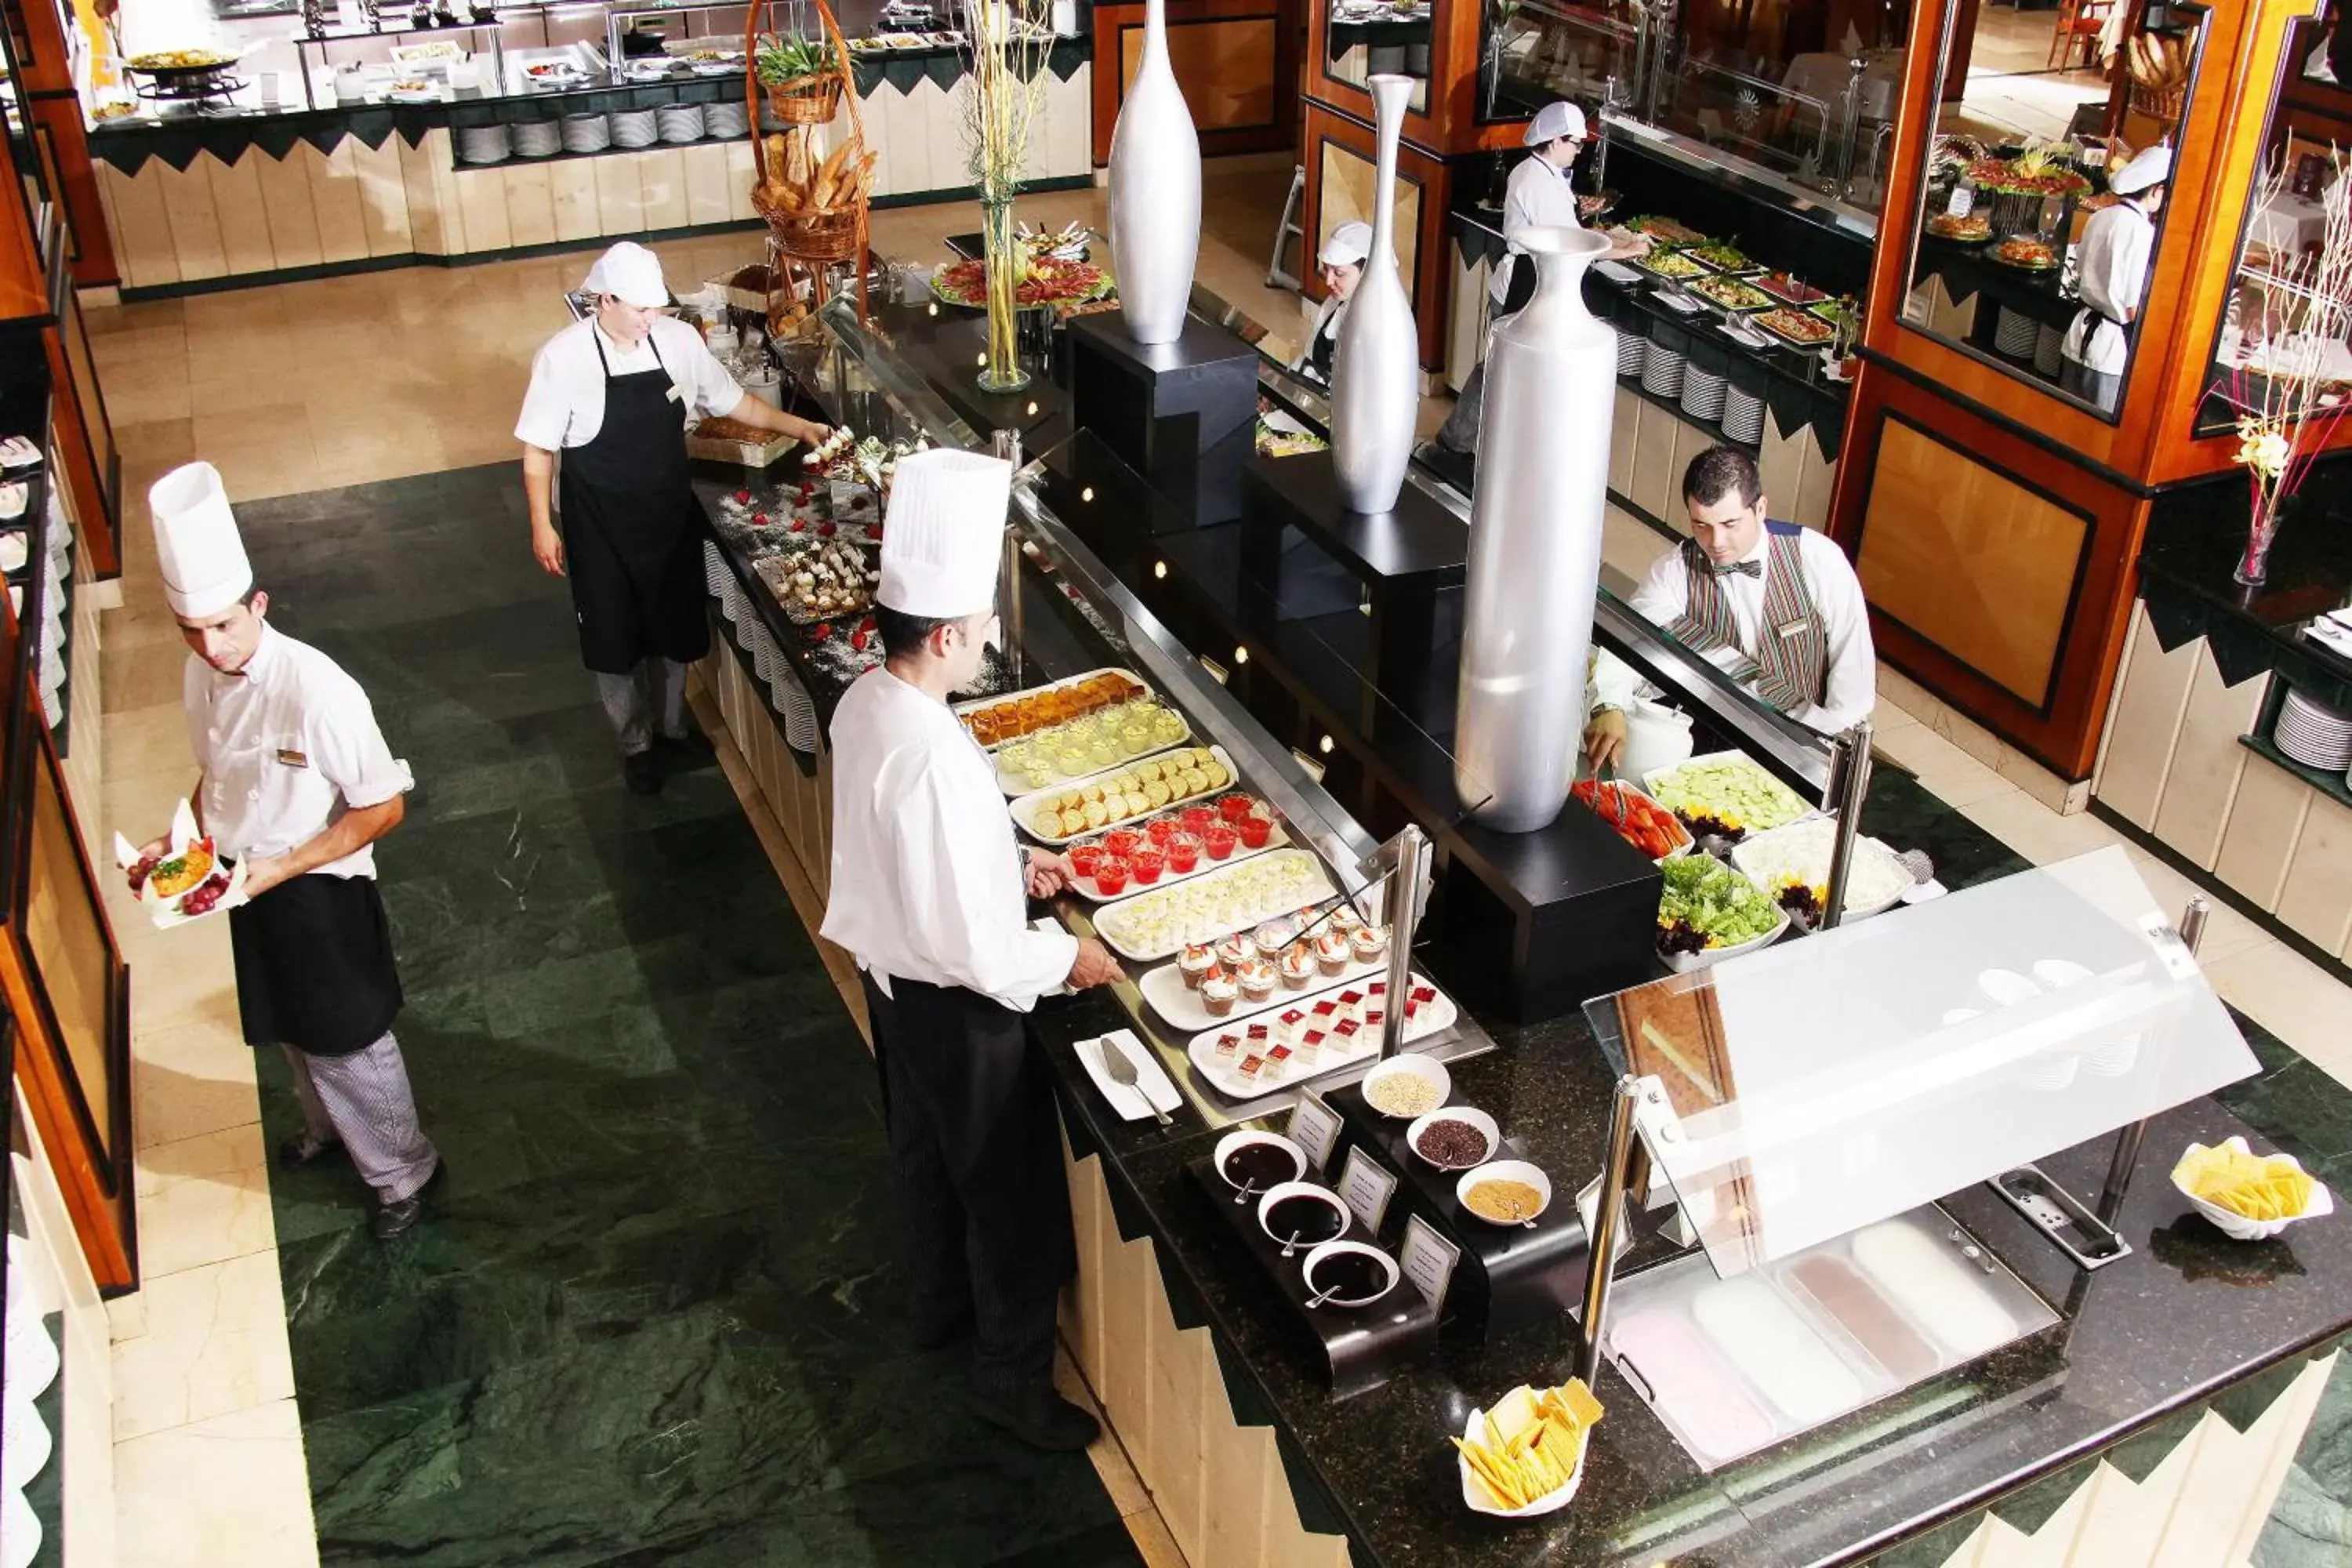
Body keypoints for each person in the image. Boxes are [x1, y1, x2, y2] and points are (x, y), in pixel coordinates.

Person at [818, 448, 1123, 1452]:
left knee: (923, 1160)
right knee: (1008, 1199)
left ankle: (936, 1306)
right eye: (985, 627)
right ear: (947, 635)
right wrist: (1065, 957)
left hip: (892, 986)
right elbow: (983, 951)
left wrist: (1009, 855)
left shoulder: (870, 700)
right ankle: (1009, 1378)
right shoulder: (939, 755)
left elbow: (911, 854)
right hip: (959, 1006)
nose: (991, 638)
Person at [146, 462, 442, 1241]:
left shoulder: (320, 690)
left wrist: (280, 866)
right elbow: (216, 771)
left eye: (223, 626)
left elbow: (384, 803)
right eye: (194, 629)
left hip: (315, 883)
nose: (210, 646)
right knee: (289, 1028)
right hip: (241, 878)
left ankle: (404, 1169)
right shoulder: (198, 674)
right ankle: (333, 1131)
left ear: (259, 603)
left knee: (349, 1039)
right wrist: (178, 840)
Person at [517, 241, 829, 796]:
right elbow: (539, 450)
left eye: (656, 307)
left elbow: (732, 402)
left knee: (675, 626)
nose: (652, 319)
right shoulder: (563, 359)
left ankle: (672, 726)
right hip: (599, 525)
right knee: (615, 641)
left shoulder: (678, 341)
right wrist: (542, 524)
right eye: (640, 309)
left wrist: (795, 426)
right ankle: (635, 745)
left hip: (667, 512)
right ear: (604, 299)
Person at [1584, 445, 1876, 772]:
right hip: (1712, 749)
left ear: (1760, 508)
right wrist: (1608, 706)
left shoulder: (1819, 560)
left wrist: (1820, 766)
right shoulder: (1675, 571)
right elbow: (1630, 640)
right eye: (1701, 525)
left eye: (1730, 523)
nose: (1716, 541)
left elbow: (1853, 687)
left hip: (1806, 751)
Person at [1436, 101, 1634, 456]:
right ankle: (1457, 444)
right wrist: (1623, 249)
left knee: (1503, 373)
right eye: (1575, 143)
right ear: (1555, 141)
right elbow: (1570, 242)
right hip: (1523, 288)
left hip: (1531, 287)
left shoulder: (1537, 172)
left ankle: (1473, 444)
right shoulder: (1537, 182)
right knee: (1499, 374)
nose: (1578, 151)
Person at [2060, 145, 2171, 413]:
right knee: (2096, 433)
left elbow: (2080, 265)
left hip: (2077, 335)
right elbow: (2133, 305)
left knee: (2063, 420)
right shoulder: (2143, 234)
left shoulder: (2100, 217)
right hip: (2111, 350)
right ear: (2156, 191)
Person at [1292, 221, 1372, 387]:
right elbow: (1309, 356)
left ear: (1367, 273)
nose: (1329, 281)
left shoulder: (1378, 325)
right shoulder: (1335, 302)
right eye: (1326, 269)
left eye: (1339, 273)